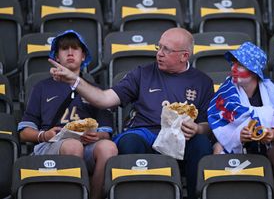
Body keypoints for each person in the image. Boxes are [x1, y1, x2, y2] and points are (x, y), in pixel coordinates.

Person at [49, 27, 214, 199]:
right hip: (144, 133)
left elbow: (207, 125)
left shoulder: (202, 82)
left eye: (167, 50)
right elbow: (103, 99)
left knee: (202, 144)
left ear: (184, 56)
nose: (160, 53)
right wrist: (75, 81)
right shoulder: (142, 73)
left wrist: (197, 129)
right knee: (129, 142)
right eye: (159, 47)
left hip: (181, 139)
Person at [18, 30, 118, 199]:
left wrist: (96, 136)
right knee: (73, 145)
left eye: (75, 49)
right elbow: (24, 132)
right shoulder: (41, 87)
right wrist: (44, 135)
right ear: (56, 56)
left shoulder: (94, 89)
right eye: (64, 49)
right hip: (51, 145)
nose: (70, 53)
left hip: (87, 146)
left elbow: (106, 133)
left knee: (108, 148)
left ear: (83, 55)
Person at [207, 42, 274, 199]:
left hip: (266, 146)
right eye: (234, 63)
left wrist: (270, 134)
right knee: (218, 148)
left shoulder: (273, 94)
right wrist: (238, 135)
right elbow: (222, 130)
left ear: (254, 72)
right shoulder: (226, 91)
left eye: (241, 65)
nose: (233, 69)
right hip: (237, 146)